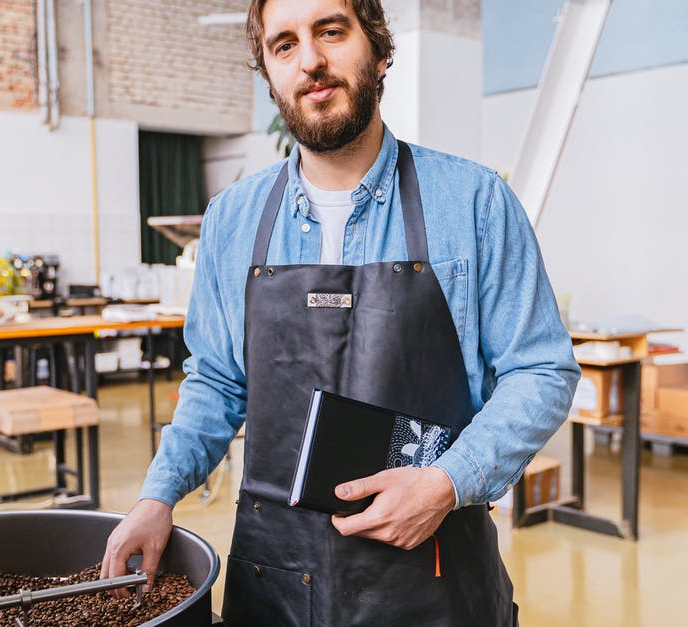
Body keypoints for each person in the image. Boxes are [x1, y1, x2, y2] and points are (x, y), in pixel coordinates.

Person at [102, 0, 580, 624]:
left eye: (331, 31)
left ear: (379, 50)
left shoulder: (473, 202)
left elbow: (542, 371)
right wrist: (157, 495)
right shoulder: (233, 219)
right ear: (269, 72)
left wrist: (447, 481)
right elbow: (217, 381)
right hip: (274, 584)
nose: (311, 61)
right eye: (284, 45)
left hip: (434, 580)